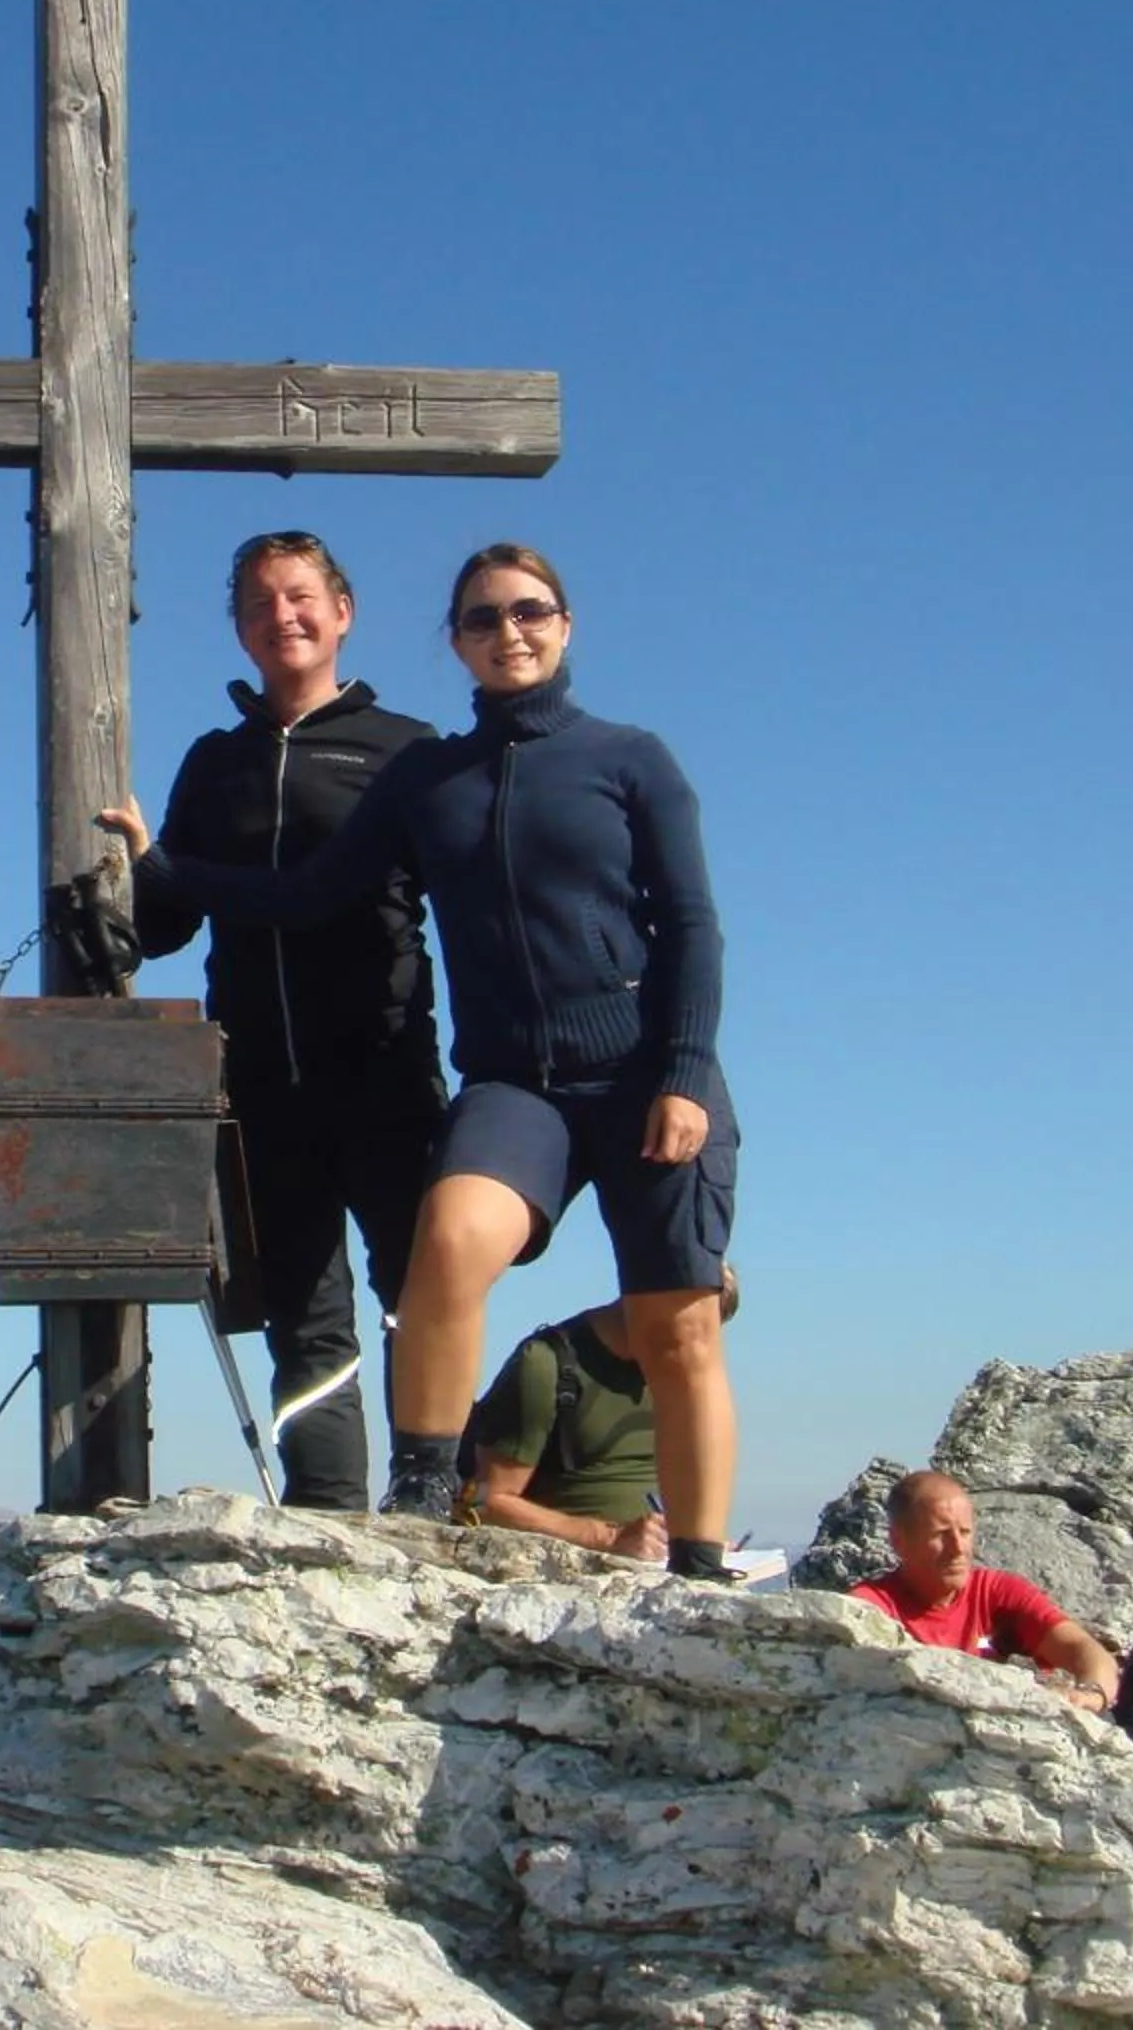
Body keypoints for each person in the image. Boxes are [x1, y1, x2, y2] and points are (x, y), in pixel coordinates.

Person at [106, 543, 745, 1581]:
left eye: (530, 612)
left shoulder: (631, 758)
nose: (511, 633)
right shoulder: (427, 775)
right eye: (485, 619)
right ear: (454, 640)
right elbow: (313, 892)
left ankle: (704, 1564)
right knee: (443, 1247)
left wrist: (681, 1074)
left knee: (677, 1329)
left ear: (566, 623)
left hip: (632, 1074)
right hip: (503, 1083)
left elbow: (693, 926)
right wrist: (160, 869)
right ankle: (421, 1490)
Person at [132, 530, 448, 1511]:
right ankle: (327, 1520)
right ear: (238, 629)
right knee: (303, 1314)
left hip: (385, 1068)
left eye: (301, 596)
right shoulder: (213, 763)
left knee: (418, 1294)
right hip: (262, 1080)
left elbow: (467, 903)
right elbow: (164, 926)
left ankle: (438, 1500)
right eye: (261, 604)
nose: (284, 617)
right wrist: (119, 876)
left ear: (343, 610)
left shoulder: (407, 751)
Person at [467, 1267, 740, 1561]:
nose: (693, 1347)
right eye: (687, 1328)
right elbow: (482, 1502)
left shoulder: (686, 1376)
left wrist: (700, 1541)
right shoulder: (547, 1366)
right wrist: (607, 1538)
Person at [848, 1471, 1121, 1714]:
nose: (958, 1548)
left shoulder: (997, 1592)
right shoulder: (869, 1610)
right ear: (899, 1541)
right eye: (941, 1535)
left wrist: (1090, 1694)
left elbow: (1084, 1651)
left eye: (965, 1532)